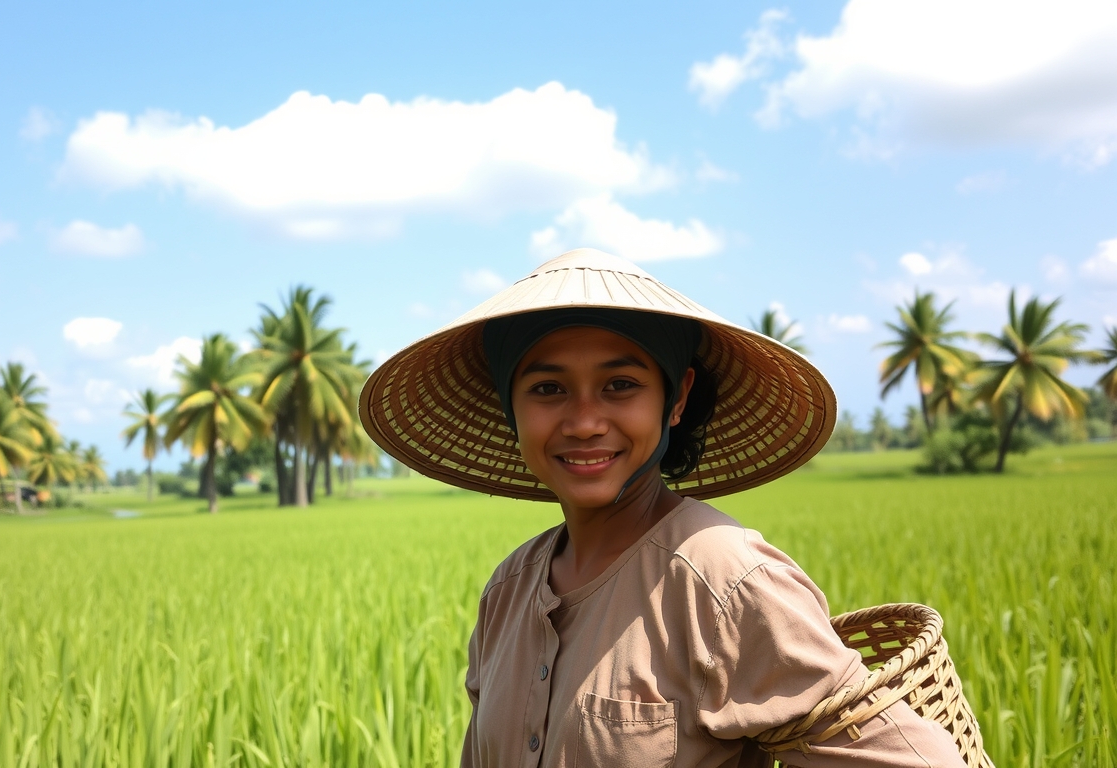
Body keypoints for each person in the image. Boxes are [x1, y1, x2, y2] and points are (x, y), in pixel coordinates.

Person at [359, 250, 966, 768]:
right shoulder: (509, 589)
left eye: (621, 385)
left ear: (676, 399)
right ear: (511, 408)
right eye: (547, 389)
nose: (585, 421)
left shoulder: (723, 576)